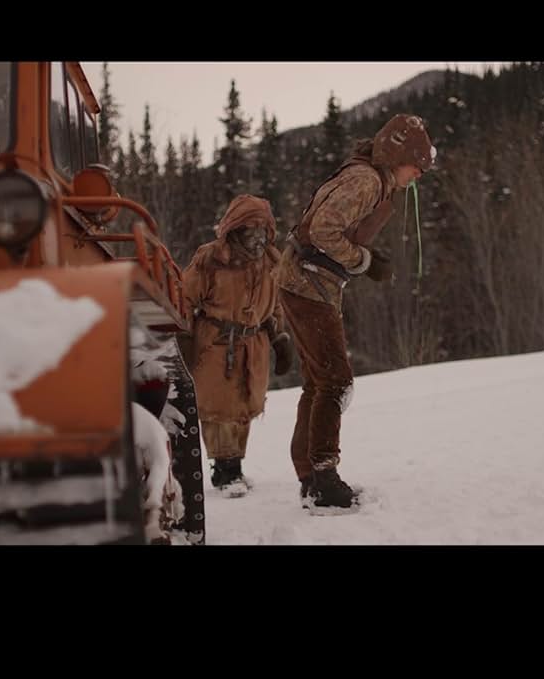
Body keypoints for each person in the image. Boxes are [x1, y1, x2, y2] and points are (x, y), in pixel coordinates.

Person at [276, 114, 435, 509]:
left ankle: (310, 476)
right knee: (335, 381)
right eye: (416, 167)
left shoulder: (370, 178)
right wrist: (362, 260)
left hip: (306, 281)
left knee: (318, 382)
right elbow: (324, 231)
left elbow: (330, 231)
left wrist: (361, 258)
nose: (417, 176)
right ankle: (324, 480)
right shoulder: (367, 180)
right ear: (399, 157)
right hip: (307, 282)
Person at [181, 195, 293, 497]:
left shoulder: (272, 260)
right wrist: (182, 339)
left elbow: (276, 305)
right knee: (219, 409)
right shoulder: (211, 258)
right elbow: (184, 299)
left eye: (262, 226)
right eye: (250, 226)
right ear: (235, 227)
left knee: (244, 405)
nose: (257, 234)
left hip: (253, 344)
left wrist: (279, 338)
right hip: (215, 344)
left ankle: (234, 466)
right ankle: (225, 472)